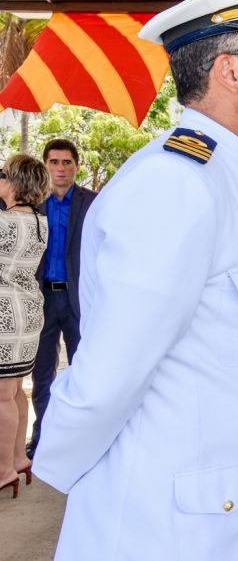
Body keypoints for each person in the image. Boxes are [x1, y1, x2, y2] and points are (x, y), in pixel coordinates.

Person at [33, 0, 238, 560]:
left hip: (215, 512)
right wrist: (65, 471)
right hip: (159, 525)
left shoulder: (229, 175)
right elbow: (104, 380)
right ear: (229, 71)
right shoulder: (176, 185)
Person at [26, 139, 97, 459]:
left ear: (76, 166)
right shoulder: (32, 203)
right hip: (40, 299)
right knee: (42, 371)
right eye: (54, 162)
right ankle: (43, 434)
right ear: (45, 166)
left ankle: (83, 438)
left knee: (85, 370)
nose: (60, 168)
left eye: (67, 162)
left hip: (77, 300)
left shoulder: (92, 202)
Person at [0, 155, 52, 498]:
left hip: (5, 314)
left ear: (16, 183)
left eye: (4, 175)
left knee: (3, 395)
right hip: (28, 312)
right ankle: (18, 457)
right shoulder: (37, 221)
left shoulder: (5, 223)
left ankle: (3, 468)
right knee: (15, 390)